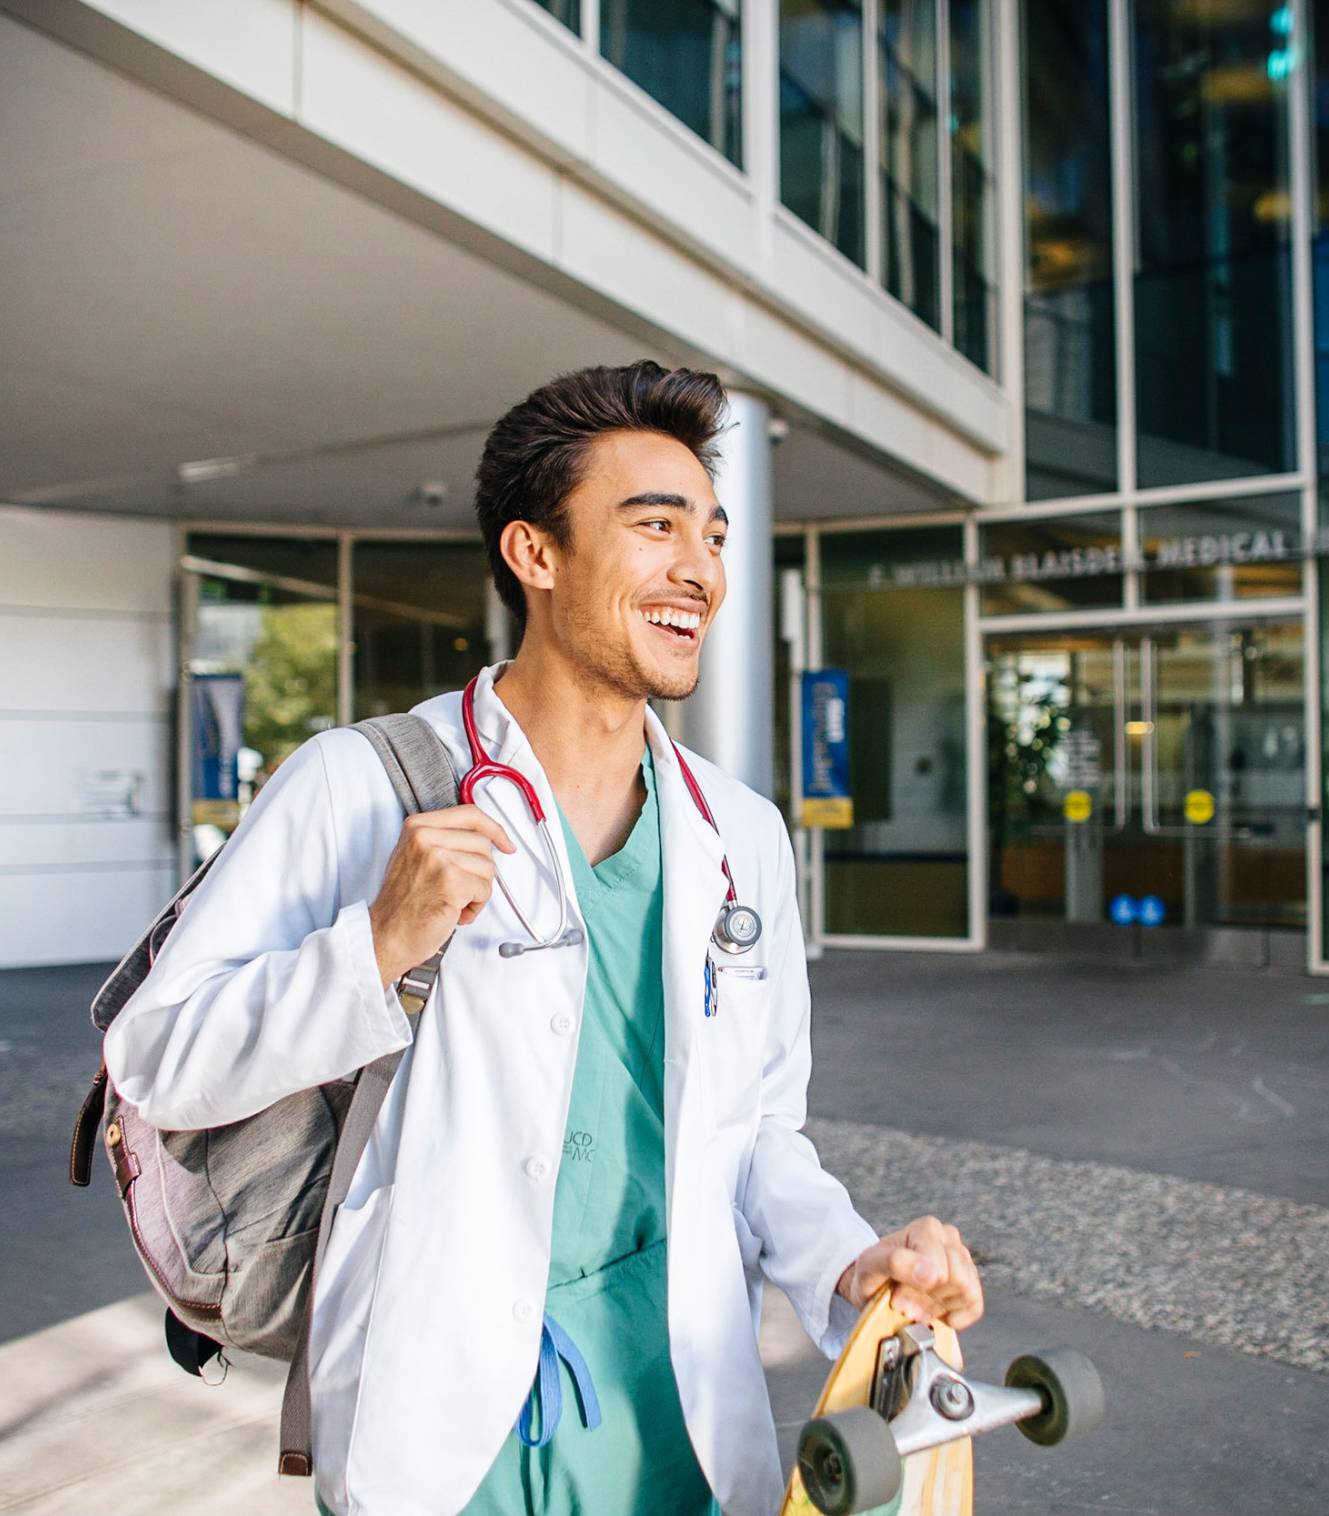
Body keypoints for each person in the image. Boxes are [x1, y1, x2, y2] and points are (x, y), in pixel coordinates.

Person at [103, 361, 983, 1516]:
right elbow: (156, 1058)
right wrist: (373, 947)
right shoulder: (357, 785)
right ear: (535, 553)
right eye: (656, 526)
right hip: (443, 1435)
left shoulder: (741, 836)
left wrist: (849, 1261)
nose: (701, 569)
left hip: (676, 1425)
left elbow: (761, 1133)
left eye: (713, 535)